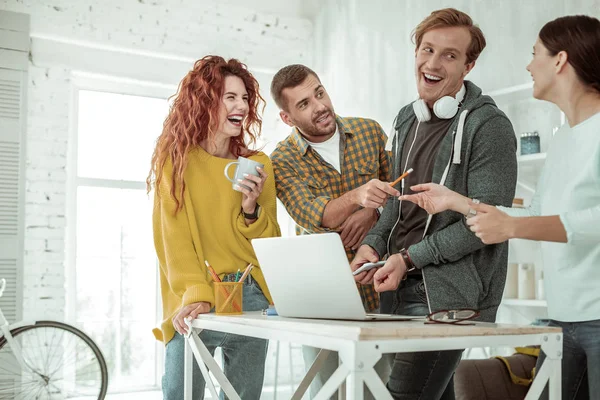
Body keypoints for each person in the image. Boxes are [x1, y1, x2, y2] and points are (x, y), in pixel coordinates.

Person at [399, 15, 600, 400]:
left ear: (559, 61)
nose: (528, 65)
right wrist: (461, 202)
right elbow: (534, 213)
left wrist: (513, 228)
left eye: (534, 54)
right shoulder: (563, 138)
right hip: (561, 320)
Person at [351, 8, 518, 399]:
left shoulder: (489, 127)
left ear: (468, 65)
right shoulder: (406, 121)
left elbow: (484, 224)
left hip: (448, 298)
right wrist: (373, 243)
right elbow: (397, 202)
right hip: (394, 288)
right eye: (427, 49)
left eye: (449, 55)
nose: (432, 63)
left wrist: (409, 258)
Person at [147, 55, 281, 400]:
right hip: (196, 298)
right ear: (206, 101)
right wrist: (197, 295)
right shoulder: (176, 163)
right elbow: (173, 243)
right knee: (180, 394)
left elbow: (270, 245)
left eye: (245, 98)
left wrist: (250, 210)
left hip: (250, 295)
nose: (241, 106)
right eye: (230, 97)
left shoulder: (257, 165)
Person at [269, 64, 396, 399]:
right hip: (321, 296)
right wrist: (358, 196)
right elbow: (315, 216)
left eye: (319, 93)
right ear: (287, 118)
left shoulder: (370, 132)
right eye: (304, 104)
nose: (320, 106)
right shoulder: (281, 160)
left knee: (379, 391)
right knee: (327, 391)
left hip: (380, 286)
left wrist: (372, 211)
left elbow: (400, 194)